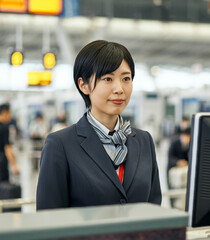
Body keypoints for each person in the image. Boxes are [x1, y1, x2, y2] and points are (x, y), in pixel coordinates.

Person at [36, 40, 162, 210]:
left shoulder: (143, 140)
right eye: (108, 79)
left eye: (126, 78)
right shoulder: (60, 145)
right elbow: (48, 218)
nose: (119, 89)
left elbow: (154, 208)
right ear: (83, 85)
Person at [0, 103, 20, 182]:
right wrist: (14, 165)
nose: (11, 116)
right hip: (1, 164)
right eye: (10, 113)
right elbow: (8, 148)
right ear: (4, 112)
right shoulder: (4, 128)